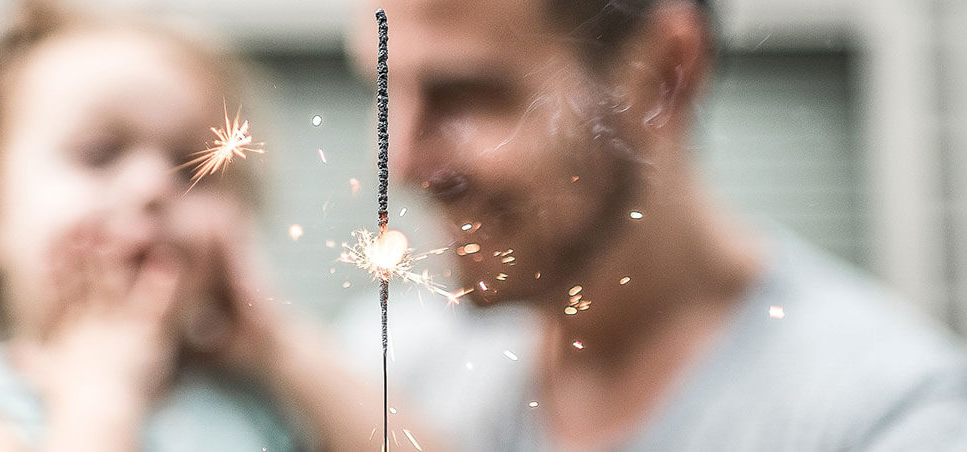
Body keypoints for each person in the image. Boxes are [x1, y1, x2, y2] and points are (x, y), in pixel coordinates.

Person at [340, 0, 967, 450]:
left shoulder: (887, 416)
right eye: (386, 93)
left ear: (665, 73)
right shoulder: (391, 364)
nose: (401, 164)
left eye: (464, 95)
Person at [0, 1, 428, 450]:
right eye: (100, 154)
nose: (155, 186)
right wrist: (101, 398)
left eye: (194, 168)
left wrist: (278, 344)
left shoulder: (262, 399)